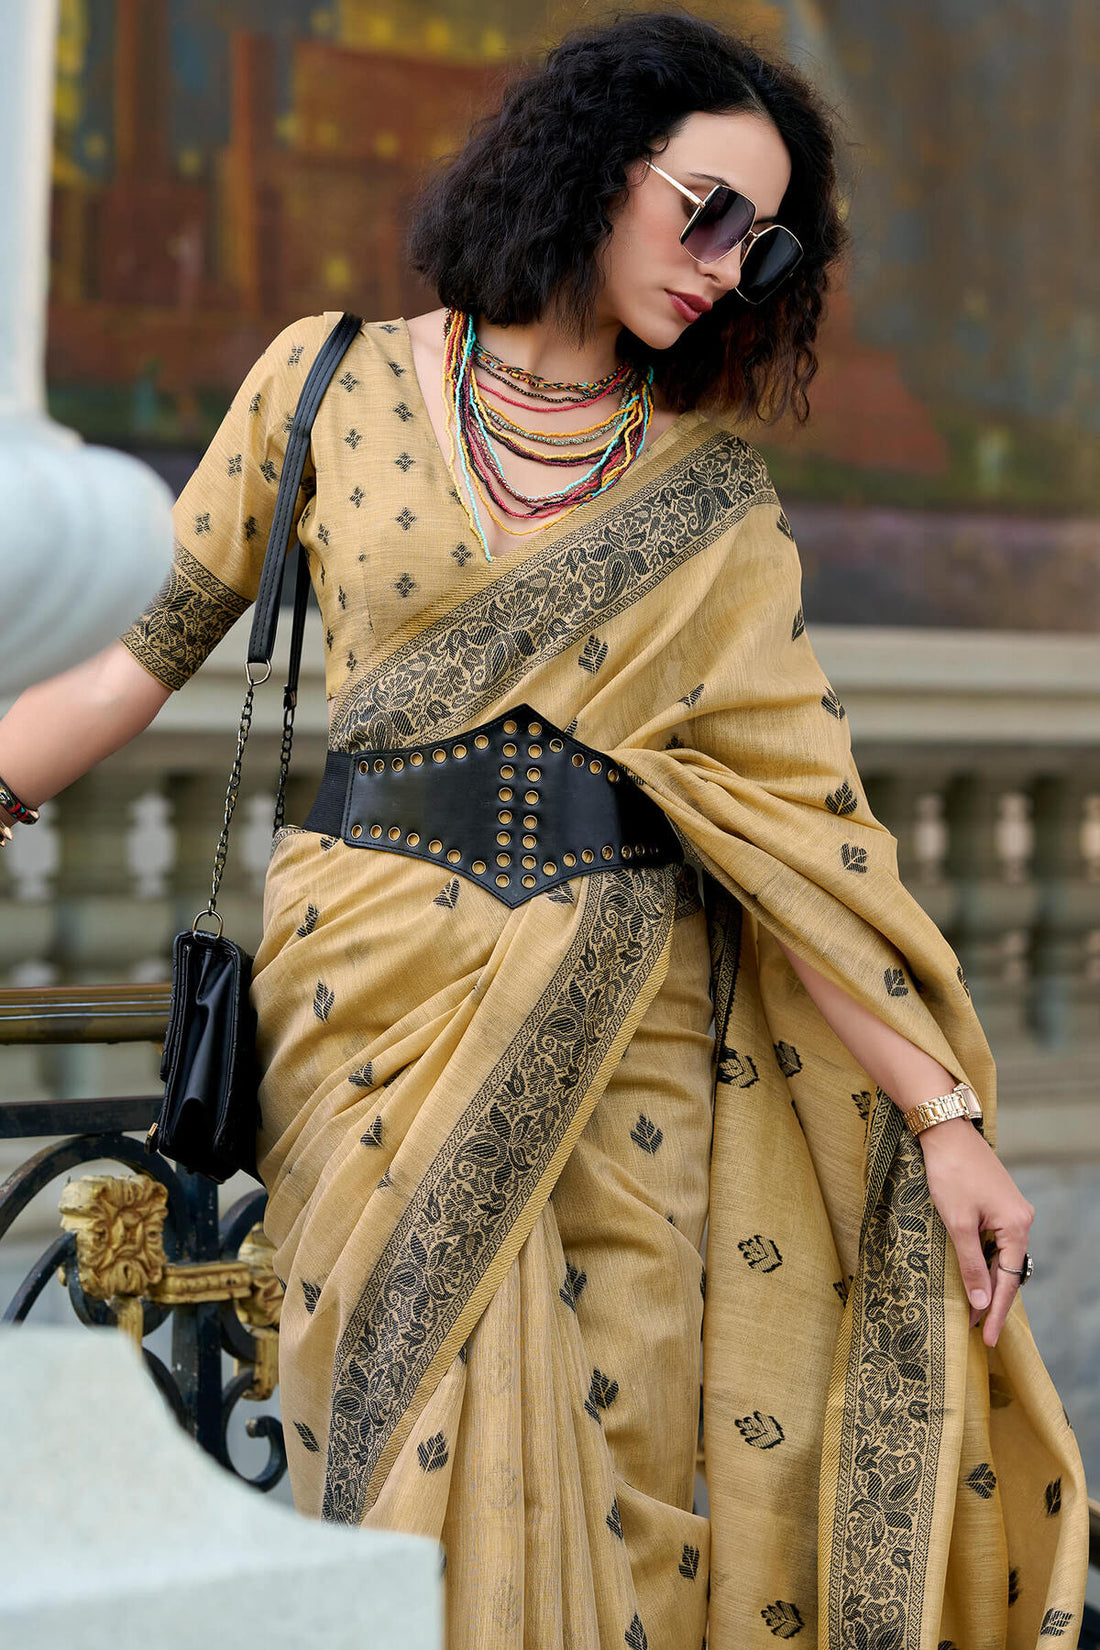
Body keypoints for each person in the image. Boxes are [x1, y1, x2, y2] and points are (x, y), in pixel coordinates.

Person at [0, 12, 1086, 1645]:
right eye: (706, 208)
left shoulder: (713, 510)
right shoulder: (329, 378)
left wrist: (941, 1114)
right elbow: (134, 651)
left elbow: (797, 842)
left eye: (764, 241)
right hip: (365, 1012)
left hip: (625, 1052)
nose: (729, 264)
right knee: (386, 1462)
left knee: (625, 1480)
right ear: (591, 163)